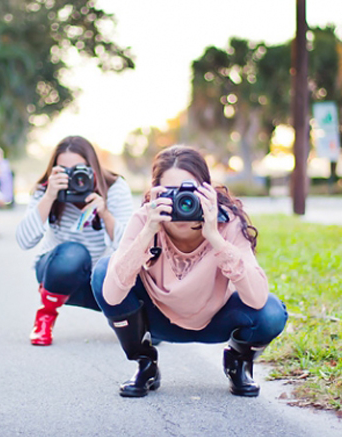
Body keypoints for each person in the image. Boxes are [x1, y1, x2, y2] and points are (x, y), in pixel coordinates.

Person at [92, 145, 287, 398]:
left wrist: (214, 237)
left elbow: (258, 299)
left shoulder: (226, 222)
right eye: (171, 192)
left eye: (190, 191)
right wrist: (147, 233)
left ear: (207, 190)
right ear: (155, 192)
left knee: (272, 313)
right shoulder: (145, 220)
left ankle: (238, 362)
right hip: (157, 319)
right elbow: (112, 295)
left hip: (215, 320)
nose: (182, 202)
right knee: (104, 271)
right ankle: (145, 364)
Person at [16, 135, 134, 345]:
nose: (72, 177)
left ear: (92, 167)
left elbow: (128, 247)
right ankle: (45, 316)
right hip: (57, 271)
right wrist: (49, 196)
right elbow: (25, 241)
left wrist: (105, 213)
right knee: (73, 252)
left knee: (153, 334)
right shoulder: (47, 190)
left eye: (79, 169)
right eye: (64, 170)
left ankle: (117, 314)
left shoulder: (113, 187)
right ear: (54, 170)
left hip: (98, 276)